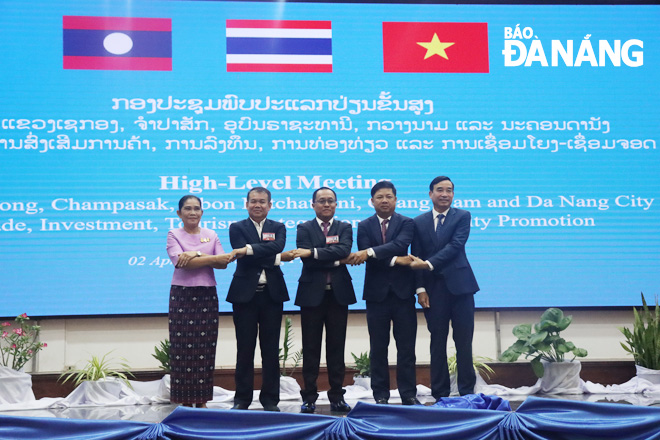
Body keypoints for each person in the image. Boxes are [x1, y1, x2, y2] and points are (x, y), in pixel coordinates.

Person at [346, 181, 420, 405]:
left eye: (389, 196)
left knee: (406, 347)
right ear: (372, 201)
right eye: (380, 197)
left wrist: (370, 252)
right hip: (376, 295)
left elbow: (400, 244)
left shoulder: (407, 222)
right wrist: (397, 260)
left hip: (403, 294)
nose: (384, 200)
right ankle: (381, 395)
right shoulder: (364, 225)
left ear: (396, 200)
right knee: (378, 347)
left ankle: (408, 394)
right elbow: (374, 260)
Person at [410, 176, 480, 400]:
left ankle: (467, 391)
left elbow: (456, 245)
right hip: (433, 290)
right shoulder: (418, 222)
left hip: (461, 288)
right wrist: (420, 288)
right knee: (437, 342)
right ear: (430, 194)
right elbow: (416, 255)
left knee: (464, 342)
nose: (445, 194)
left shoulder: (462, 216)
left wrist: (429, 264)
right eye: (440, 190)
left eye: (449, 190)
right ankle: (440, 393)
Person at [227, 187, 294, 412]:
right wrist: (274, 258)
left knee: (270, 350)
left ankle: (270, 400)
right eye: (253, 201)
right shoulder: (236, 227)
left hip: (271, 295)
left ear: (270, 205)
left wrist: (248, 250)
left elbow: (278, 247)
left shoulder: (278, 227)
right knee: (244, 349)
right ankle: (242, 399)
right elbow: (241, 255)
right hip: (244, 296)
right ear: (246, 204)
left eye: (262, 202)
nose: (258, 205)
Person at [166, 195, 234, 408]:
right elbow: (181, 263)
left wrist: (194, 255)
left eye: (197, 208)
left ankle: (202, 401)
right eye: (188, 209)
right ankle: (184, 401)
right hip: (182, 295)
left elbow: (223, 262)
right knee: (182, 350)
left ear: (202, 213)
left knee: (205, 349)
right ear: (179, 213)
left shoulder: (211, 234)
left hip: (206, 295)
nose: (192, 212)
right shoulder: (173, 234)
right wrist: (204, 256)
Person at [292, 187, 356, 413]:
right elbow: (306, 259)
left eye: (331, 201)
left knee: (336, 348)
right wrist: (337, 260)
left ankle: (337, 396)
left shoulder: (345, 227)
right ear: (313, 205)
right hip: (311, 295)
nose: (326, 204)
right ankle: (309, 396)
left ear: (336, 204)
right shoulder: (304, 228)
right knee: (311, 348)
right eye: (322, 201)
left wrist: (315, 253)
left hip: (338, 295)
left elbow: (345, 249)